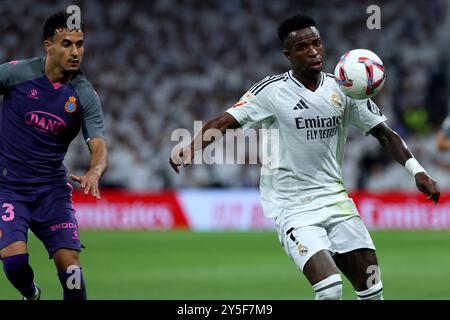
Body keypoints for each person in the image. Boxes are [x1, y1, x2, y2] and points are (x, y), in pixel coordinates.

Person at [170, 14, 440, 300]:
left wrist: (417, 171)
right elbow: (225, 121)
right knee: (330, 289)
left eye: (317, 43)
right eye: (302, 47)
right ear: (288, 54)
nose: (313, 51)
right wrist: (191, 147)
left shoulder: (344, 88)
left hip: (336, 202)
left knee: (371, 289)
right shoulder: (271, 92)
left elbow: (385, 134)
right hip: (293, 207)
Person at [0, 11, 107, 300]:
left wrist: (95, 171)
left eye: (80, 44)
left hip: (51, 192)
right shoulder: (15, 74)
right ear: (48, 46)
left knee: (72, 270)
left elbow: (98, 144)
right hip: (8, 188)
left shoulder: (84, 95)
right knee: (15, 262)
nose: (75, 52)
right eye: (66, 44)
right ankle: (31, 293)